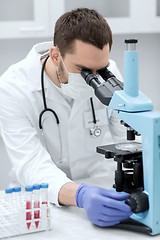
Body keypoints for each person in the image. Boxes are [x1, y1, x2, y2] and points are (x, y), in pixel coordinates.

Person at [0, 8, 132, 227]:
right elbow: (30, 163)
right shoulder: (12, 88)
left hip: (103, 193)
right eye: (84, 71)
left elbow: (129, 140)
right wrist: (79, 195)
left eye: (102, 70)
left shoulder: (111, 74)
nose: (95, 79)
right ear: (55, 55)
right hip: (41, 203)